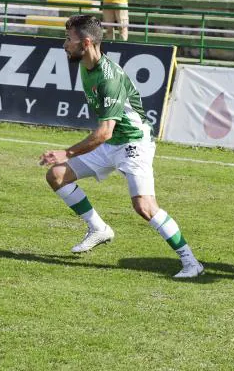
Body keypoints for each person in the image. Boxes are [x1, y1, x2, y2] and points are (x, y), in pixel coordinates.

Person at [39, 15, 203, 278]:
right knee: (57, 175)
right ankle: (98, 228)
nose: (65, 44)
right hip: (112, 143)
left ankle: (191, 262)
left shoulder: (109, 78)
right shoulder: (84, 64)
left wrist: (67, 152)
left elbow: (104, 131)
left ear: (87, 42)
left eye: (69, 39)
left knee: (145, 206)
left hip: (133, 143)